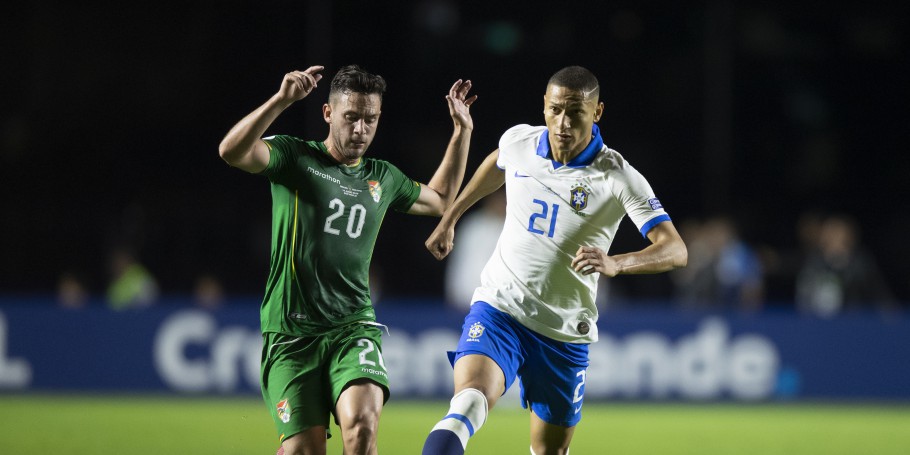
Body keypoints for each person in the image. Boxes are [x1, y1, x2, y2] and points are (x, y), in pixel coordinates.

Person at [421, 66, 687, 455]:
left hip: (563, 332)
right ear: (544, 106)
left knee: (549, 451)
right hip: (500, 309)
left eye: (575, 112)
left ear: (596, 113)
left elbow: (676, 249)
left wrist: (617, 263)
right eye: (555, 109)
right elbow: (497, 164)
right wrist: (451, 218)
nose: (562, 122)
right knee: (469, 402)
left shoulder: (617, 176)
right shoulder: (520, 141)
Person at [218, 65, 476, 455]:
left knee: (361, 428)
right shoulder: (294, 156)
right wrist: (281, 101)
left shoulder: (382, 177)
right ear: (328, 113)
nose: (360, 129)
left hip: (353, 326)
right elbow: (231, 152)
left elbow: (440, 199)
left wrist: (462, 131)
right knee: (304, 450)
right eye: (351, 117)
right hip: (291, 333)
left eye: (369, 119)